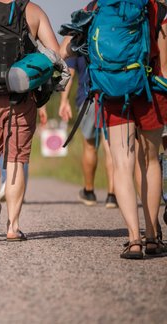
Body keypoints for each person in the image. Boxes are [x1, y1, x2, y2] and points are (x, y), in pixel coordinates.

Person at [60, 0, 167, 259]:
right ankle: (152, 236)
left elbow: (65, 50)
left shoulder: (96, 6)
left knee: (122, 163)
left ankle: (133, 239)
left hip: (112, 90)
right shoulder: (157, 8)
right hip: (150, 89)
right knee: (150, 161)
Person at [0, 0, 68, 240]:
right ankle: (13, 227)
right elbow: (57, 55)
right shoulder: (33, 10)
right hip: (22, 98)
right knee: (17, 159)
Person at [58, 55, 117, 208]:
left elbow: (69, 74)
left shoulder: (78, 36)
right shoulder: (108, 31)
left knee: (90, 146)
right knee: (110, 148)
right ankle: (112, 195)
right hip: (112, 94)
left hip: (88, 98)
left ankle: (89, 192)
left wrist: (64, 101)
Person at [0, 105, 48, 202]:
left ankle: (6, 182)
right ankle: (18, 189)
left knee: (3, 146)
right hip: (24, 102)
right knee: (20, 150)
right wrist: (42, 108)